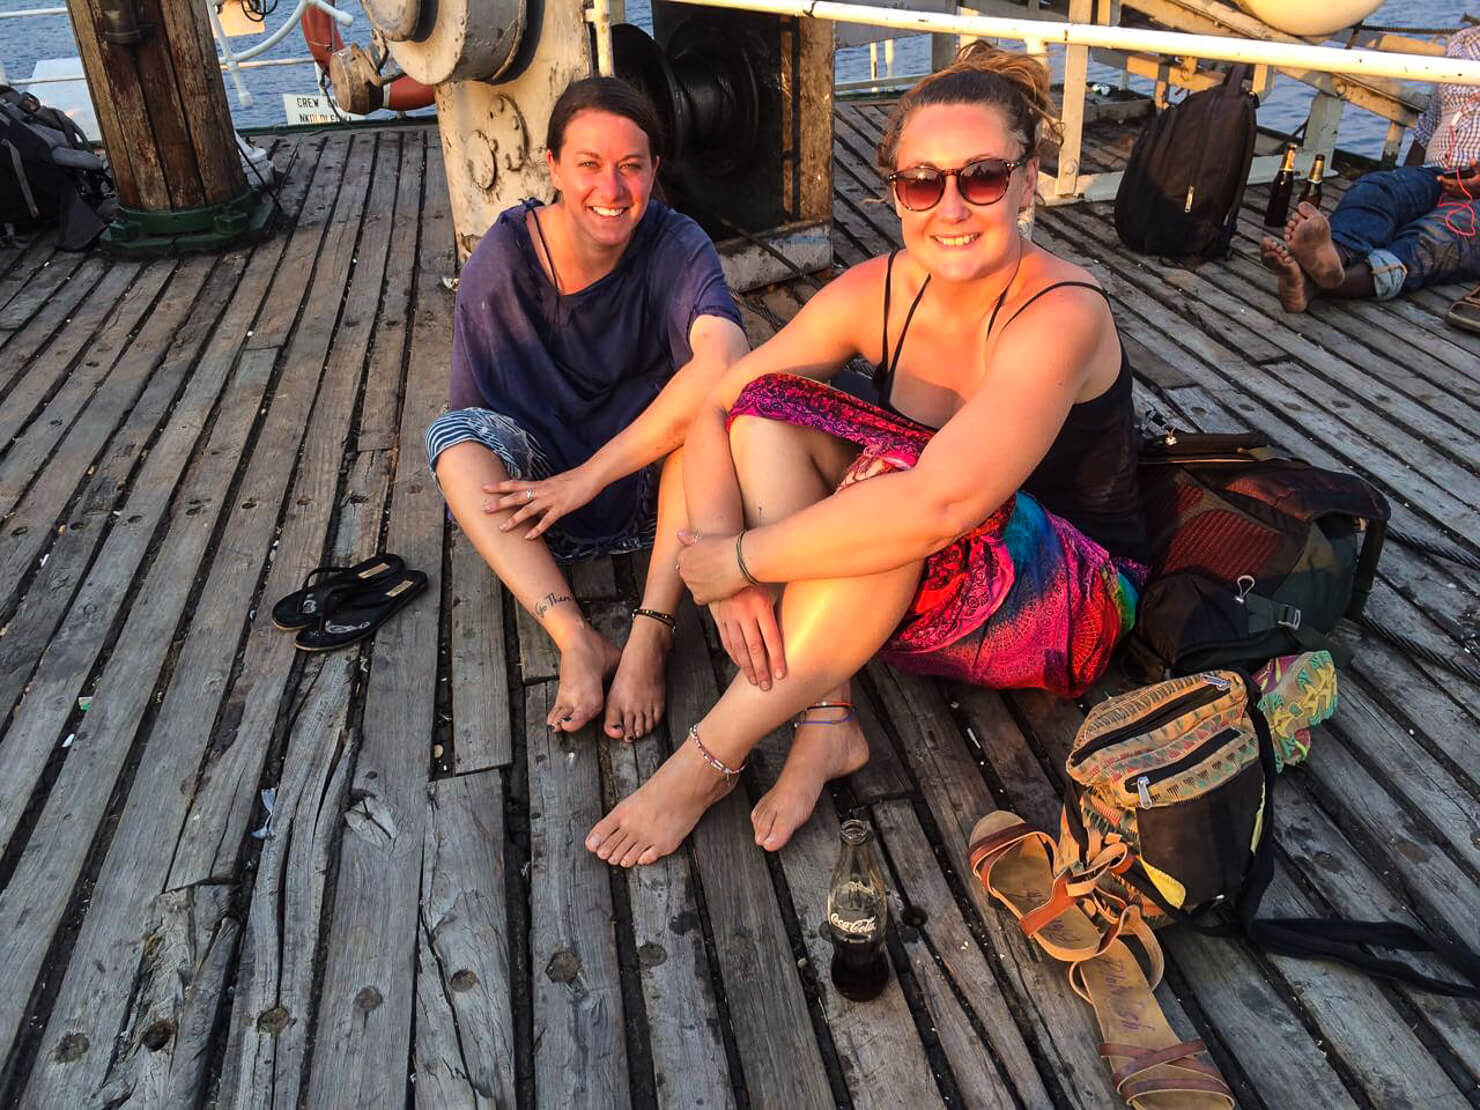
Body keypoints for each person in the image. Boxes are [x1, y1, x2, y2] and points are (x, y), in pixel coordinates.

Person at [585, 44, 1147, 869]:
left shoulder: (1062, 310)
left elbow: (941, 504)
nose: (949, 207)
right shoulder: (880, 287)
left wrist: (741, 559)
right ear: (895, 193)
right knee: (763, 418)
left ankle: (707, 760)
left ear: (1029, 182)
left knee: (894, 484)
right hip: (931, 565)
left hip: (1078, 600)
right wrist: (719, 553)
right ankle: (825, 722)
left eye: (981, 177)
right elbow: (718, 401)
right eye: (922, 182)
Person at [426, 78, 750, 740]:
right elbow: (481, 427)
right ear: (552, 166)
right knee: (452, 440)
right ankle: (574, 635)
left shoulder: (676, 242)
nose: (612, 190)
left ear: (655, 170)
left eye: (632, 167)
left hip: (661, 502)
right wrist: (561, 485)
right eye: (589, 166)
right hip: (543, 507)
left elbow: (724, 360)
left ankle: (650, 634)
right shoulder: (505, 256)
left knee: (704, 418)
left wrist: (591, 476)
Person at [1261, 25, 1480, 313]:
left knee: (1434, 237)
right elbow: (1428, 127)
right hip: (1436, 173)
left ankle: (1322, 282)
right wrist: (1401, 186)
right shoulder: (1464, 42)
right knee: (1376, 189)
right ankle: (1331, 254)